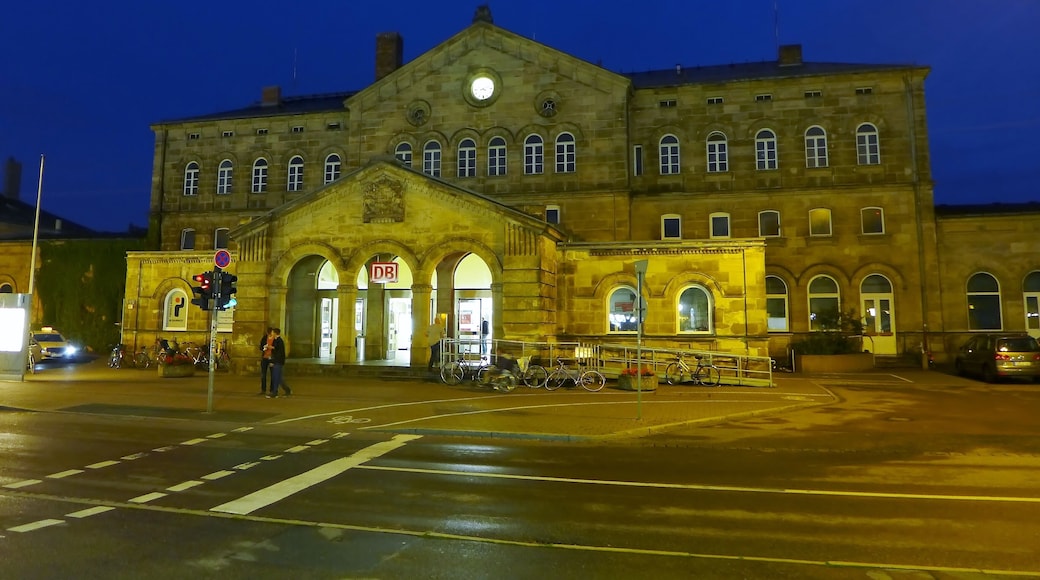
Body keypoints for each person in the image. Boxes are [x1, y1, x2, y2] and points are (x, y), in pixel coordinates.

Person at [267, 328, 292, 398]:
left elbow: (278, 353)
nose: (271, 333)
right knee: (279, 378)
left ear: (275, 333)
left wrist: (273, 361)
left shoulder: (279, 341)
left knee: (276, 377)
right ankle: (287, 390)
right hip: (278, 361)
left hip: (278, 362)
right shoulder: (276, 340)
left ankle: (275, 392)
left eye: (272, 332)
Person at [258, 326, 274, 396]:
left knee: (272, 374)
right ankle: (263, 389)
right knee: (263, 374)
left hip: (272, 358)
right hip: (265, 357)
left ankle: (272, 389)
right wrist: (264, 348)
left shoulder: (275, 339)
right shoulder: (264, 338)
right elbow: (261, 347)